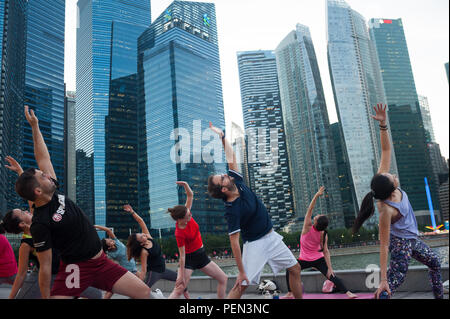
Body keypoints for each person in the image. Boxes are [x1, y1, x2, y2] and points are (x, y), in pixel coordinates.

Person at [14, 106, 150, 299]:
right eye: (42, 176)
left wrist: (35, 126)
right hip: (75, 268)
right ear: (38, 191)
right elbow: (45, 267)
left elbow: (43, 157)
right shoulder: (40, 223)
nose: (46, 173)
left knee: (143, 292)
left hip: (102, 263)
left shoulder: (52, 190)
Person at [353, 104, 443, 299]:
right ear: (391, 188)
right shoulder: (386, 210)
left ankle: (439, 296)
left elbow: (386, 150)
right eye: (392, 177)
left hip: (412, 240)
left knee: (435, 262)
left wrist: (383, 124)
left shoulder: (381, 182)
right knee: (393, 282)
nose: (392, 174)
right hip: (400, 244)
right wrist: (383, 278)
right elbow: (384, 245)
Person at [207, 122, 302, 299]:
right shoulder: (232, 210)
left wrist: (222, 137)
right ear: (223, 190)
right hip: (255, 244)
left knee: (295, 269)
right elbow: (234, 243)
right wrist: (241, 271)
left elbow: (232, 158)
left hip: (271, 237)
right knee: (241, 284)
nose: (226, 174)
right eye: (223, 178)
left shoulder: (237, 182)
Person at [1, 156, 102, 299]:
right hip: (40, 278)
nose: (26, 210)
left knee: (96, 295)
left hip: (64, 273)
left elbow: (32, 195)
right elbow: (21, 274)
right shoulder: (26, 243)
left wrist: (20, 171)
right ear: (22, 224)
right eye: (22, 212)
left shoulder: (41, 220)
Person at [282, 186, 357, 299]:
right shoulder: (324, 233)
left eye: (317, 217)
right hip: (318, 259)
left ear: (316, 222)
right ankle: (348, 293)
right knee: (331, 276)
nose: (315, 215)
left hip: (305, 260)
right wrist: (330, 268)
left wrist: (317, 195)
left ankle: (290, 293)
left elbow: (310, 209)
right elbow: (326, 251)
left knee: (289, 270)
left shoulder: (307, 227)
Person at [167, 181, 228, 299]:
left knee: (223, 278)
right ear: (180, 220)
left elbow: (190, 195)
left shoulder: (186, 212)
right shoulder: (179, 233)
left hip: (201, 256)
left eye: (189, 214)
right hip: (189, 259)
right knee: (179, 289)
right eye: (187, 217)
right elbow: (182, 255)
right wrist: (181, 276)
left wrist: (185, 185)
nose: (190, 216)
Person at [125, 204, 188, 298]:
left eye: (142, 233)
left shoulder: (149, 238)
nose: (143, 234)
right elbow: (143, 270)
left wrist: (132, 212)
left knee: (182, 283)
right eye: (141, 236)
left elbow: (141, 221)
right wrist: (140, 281)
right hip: (153, 273)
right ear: (140, 243)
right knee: (143, 290)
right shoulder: (144, 252)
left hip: (164, 270)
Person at [95, 225, 139, 299]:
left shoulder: (117, 242)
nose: (110, 239)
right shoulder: (111, 254)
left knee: (141, 287)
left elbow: (108, 230)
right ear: (108, 247)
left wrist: (95, 226)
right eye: (109, 241)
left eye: (109, 239)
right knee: (112, 289)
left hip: (134, 269)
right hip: (126, 272)